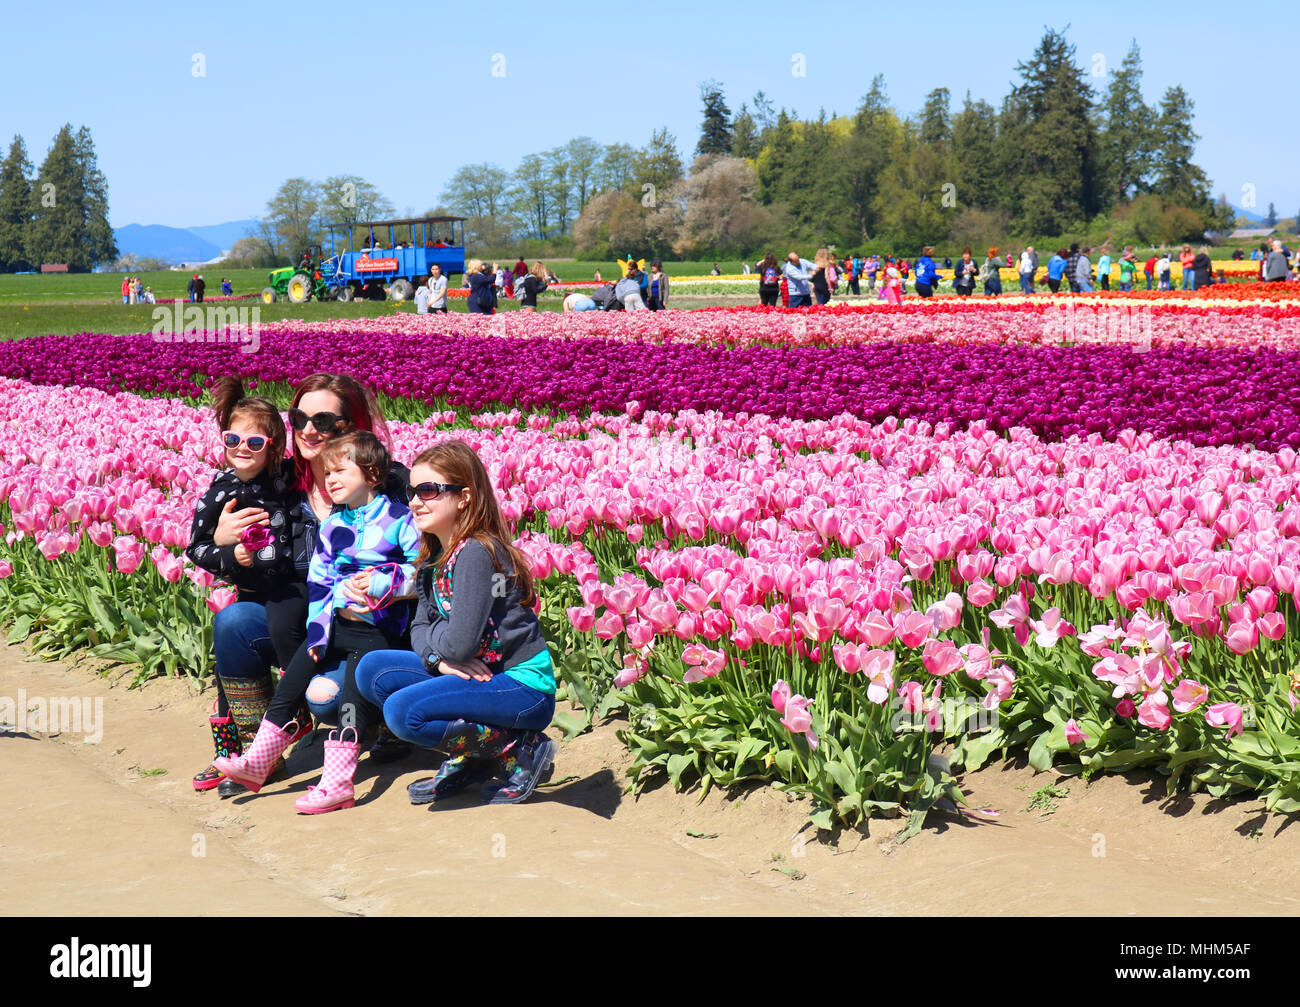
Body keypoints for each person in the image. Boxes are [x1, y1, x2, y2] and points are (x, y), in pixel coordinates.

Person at [191, 374, 412, 797]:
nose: (310, 430)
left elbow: (431, 558)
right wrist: (222, 543)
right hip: (304, 626)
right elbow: (246, 570)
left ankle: (386, 725)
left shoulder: (390, 484)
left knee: (325, 698)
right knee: (234, 621)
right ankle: (259, 754)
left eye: (325, 420)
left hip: (371, 625)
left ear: (354, 425)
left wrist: (391, 583)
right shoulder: (273, 482)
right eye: (300, 418)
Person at [356, 440, 558, 806]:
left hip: (521, 687)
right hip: (478, 676)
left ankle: (519, 749)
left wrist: (444, 649)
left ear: (464, 497)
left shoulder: (476, 553)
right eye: (412, 491)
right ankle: (473, 757)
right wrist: (439, 660)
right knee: (372, 669)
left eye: (430, 490)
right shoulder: (435, 554)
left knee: (402, 713)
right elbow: (419, 630)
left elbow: (458, 644)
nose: (416, 500)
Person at [186, 378, 299, 792]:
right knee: (228, 678)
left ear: (274, 446)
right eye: (232, 438)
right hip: (251, 594)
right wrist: (229, 552)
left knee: (258, 638)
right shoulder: (218, 492)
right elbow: (195, 549)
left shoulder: (289, 479)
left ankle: (267, 743)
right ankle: (238, 753)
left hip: (295, 594)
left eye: (254, 442)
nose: (241, 448)